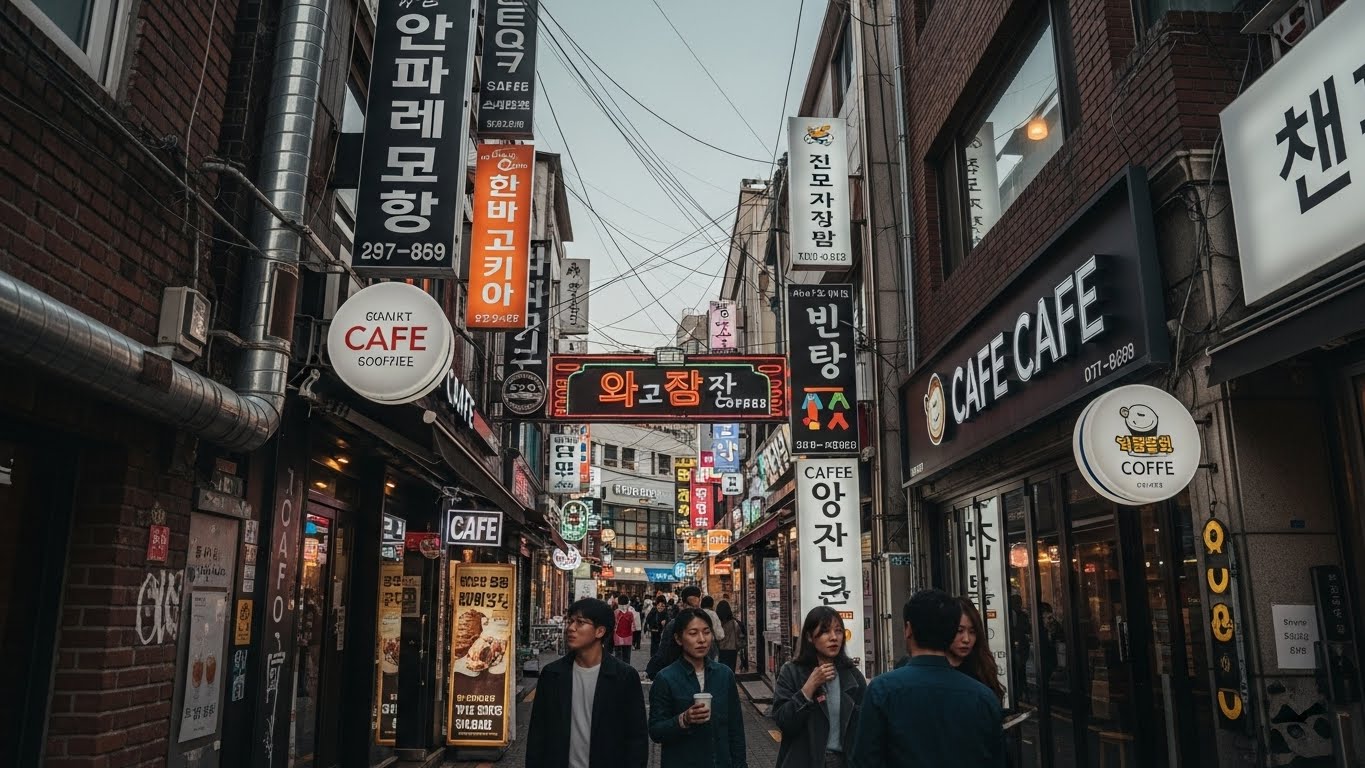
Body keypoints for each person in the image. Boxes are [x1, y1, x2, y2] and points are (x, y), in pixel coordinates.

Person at [851, 589, 1005, 768]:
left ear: (908, 629)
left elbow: (865, 761)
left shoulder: (882, 690)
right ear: (950, 632)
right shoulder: (984, 696)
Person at [526, 598, 648, 768]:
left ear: (600, 631)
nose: (571, 628)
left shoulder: (624, 677)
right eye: (570, 621)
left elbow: (637, 738)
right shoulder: (552, 674)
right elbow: (537, 734)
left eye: (580, 622)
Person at [648, 608, 747, 768]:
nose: (702, 639)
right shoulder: (666, 678)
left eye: (706, 632)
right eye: (693, 633)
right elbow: (655, 731)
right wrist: (683, 719)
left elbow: (735, 728)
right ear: (678, 639)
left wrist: (740, 764)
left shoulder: (724, 675)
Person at [771, 606, 867, 768]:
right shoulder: (792, 672)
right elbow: (783, 721)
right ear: (810, 637)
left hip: (843, 761)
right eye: (825, 632)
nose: (833, 637)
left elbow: (864, 727)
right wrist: (808, 688)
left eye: (838, 631)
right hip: (804, 761)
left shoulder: (853, 676)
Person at [950, 597, 1006, 702]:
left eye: (972, 632)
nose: (966, 639)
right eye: (959, 631)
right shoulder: (938, 669)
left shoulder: (983, 665)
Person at [646, 585, 702, 679]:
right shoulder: (703, 624)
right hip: (694, 674)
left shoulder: (673, 624)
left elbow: (663, 653)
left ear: (682, 604)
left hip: (678, 673)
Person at [715, 600, 742, 672]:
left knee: (721, 670)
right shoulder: (733, 622)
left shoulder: (718, 622)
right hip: (732, 649)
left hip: (720, 649)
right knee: (731, 670)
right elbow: (739, 634)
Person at [613, 598, 640, 664]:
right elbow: (634, 627)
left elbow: (613, 625)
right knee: (627, 656)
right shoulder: (630, 613)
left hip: (617, 637)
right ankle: (626, 670)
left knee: (618, 655)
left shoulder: (615, 612)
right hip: (628, 637)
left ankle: (618, 670)